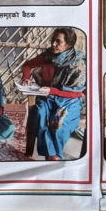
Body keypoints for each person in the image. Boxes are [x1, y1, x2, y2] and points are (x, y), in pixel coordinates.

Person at [21, 28, 87, 160]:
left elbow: (77, 93)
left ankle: (54, 154)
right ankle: (51, 155)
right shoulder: (47, 56)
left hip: (69, 100)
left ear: (69, 44)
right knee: (39, 114)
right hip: (47, 98)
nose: (53, 44)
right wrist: (26, 78)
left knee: (58, 124)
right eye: (53, 40)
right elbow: (27, 65)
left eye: (58, 41)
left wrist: (53, 91)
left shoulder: (78, 63)